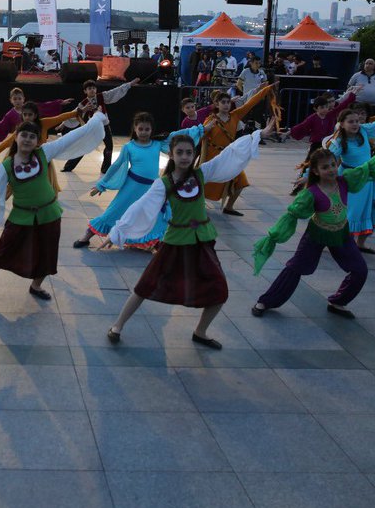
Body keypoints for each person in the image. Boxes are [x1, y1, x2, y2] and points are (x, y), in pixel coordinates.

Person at [102, 123, 274, 345]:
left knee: (219, 291)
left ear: (194, 154)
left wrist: (257, 135)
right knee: (145, 286)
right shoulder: (163, 184)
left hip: (202, 241)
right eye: (180, 152)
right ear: (171, 155)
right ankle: (117, 326)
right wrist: (117, 232)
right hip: (175, 242)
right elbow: (140, 207)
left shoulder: (202, 174)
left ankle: (200, 332)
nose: (184, 157)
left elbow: (229, 155)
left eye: (189, 152)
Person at [252, 142, 375, 318]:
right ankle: (266, 301)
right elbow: (291, 215)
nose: (331, 169)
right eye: (325, 167)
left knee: (360, 270)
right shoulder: (311, 193)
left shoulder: (345, 181)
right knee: (295, 268)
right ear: (315, 171)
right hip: (316, 235)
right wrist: (273, 236)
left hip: (341, 233)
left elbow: (369, 167)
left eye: (333, 165)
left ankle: (338, 301)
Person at [0, 112, 110, 301]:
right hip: (21, 216)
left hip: (50, 214)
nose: (27, 139)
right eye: (24, 135)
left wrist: (96, 118)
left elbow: (74, 136)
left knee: (47, 253)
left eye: (32, 137)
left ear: (37, 141)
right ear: (16, 137)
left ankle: (36, 286)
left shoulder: (45, 152)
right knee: (2, 250)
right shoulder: (7, 165)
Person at [74, 114, 209, 251]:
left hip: (152, 188)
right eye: (141, 129)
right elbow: (116, 166)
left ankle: (150, 242)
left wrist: (201, 129)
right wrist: (101, 184)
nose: (144, 132)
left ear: (152, 130)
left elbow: (177, 136)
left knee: (153, 216)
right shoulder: (129, 147)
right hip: (131, 187)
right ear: (135, 129)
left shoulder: (157, 144)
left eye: (147, 129)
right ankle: (87, 235)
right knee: (114, 211)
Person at [327, 103, 375, 253]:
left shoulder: (364, 131)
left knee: (369, 210)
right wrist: (308, 176)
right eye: (351, 121)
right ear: (342, 124)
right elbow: (326, 160)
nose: (355, 124)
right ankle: (340, 242)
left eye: (357, 121)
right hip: (350, 180)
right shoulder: (338, 142)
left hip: (368, 179)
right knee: (351, 212)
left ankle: (360, 244)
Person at [202, 83, 276, 216]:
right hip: (212, 156)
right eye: (222, 102)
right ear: (217, 104)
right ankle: (195, 205)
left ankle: (229, 207)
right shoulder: (210, 120)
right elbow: (200, 135)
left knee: (241, 182)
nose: (226, 104)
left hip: (230, 156)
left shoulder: (235, 116)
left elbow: (250, 103)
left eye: (228, 102)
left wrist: (266, 90)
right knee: (203, 182)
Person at [285, 89, 358, 195]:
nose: (325, 109)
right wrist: (289, 132)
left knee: (330, 165)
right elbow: (301, 126)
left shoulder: (331, 115)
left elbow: (342, 106)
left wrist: (352, 95)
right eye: (322, 107)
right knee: (308, 166)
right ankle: (298, 186)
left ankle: (327, 188)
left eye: (326, 107)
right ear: (316, 108)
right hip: (316, 145)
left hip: (328, 145)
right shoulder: (312, 118)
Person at [61, 78, 136, 174]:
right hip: (92, 128)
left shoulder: (102, 97)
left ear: (96, 89)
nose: (92, 90)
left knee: (109, 147)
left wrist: (129, 84)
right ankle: (68, 167)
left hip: (104, 125)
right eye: (89, 88)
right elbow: (74, 114)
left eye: (93, 88)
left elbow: (115, 92)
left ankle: (105, 169)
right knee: (83, 146)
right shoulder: (83, 103)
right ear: (85, 91)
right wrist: (63, 123)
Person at [0, 87, 69, 143]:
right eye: (15, 99)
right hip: (21, 140)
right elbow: (1, 125)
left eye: (19, 98)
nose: (17, 101)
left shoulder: (30, 107)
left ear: (23, 99)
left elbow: (44, 105)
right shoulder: (9, 115)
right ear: (11, 100)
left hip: (35, 137)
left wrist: (60, 102)